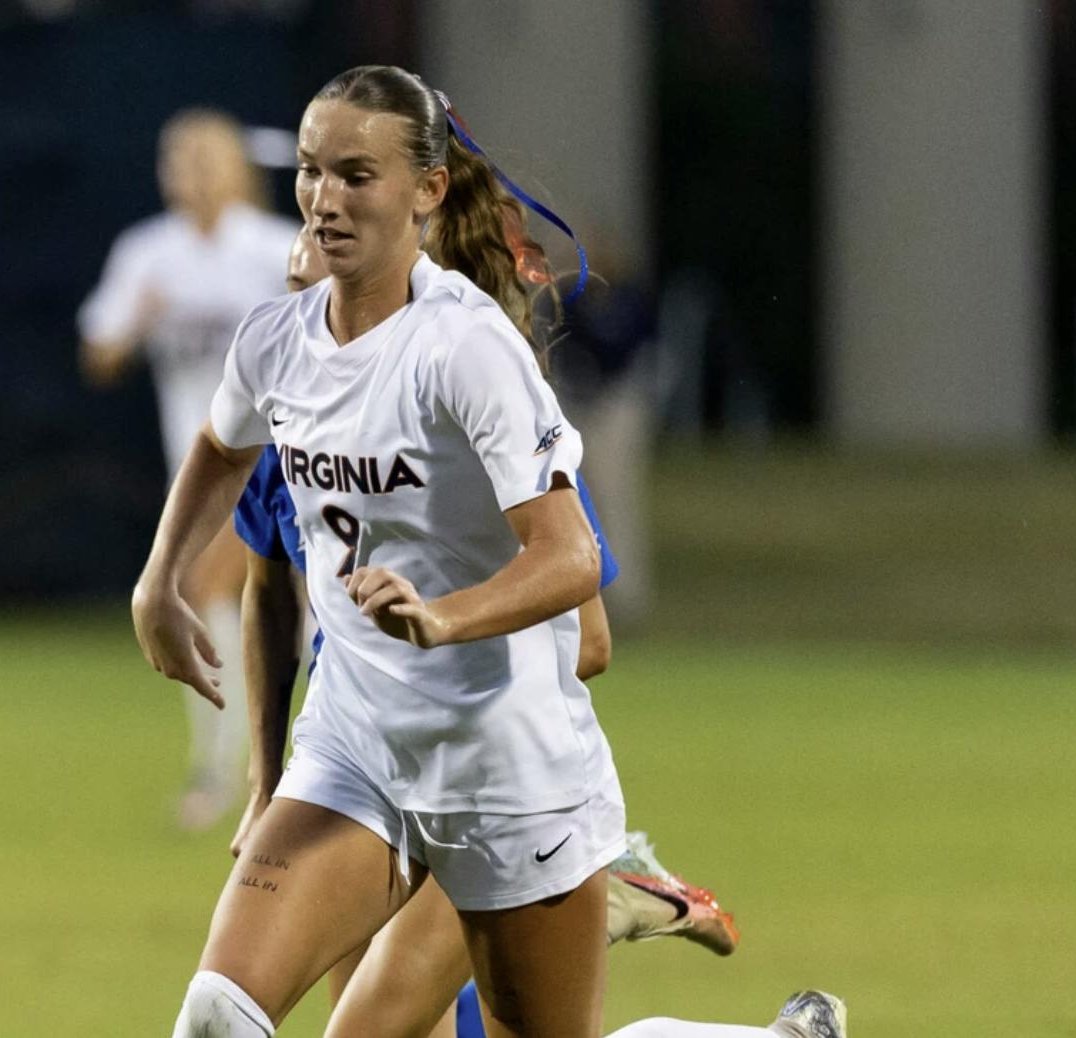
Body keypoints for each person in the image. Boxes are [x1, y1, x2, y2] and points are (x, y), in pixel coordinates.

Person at [132, 66, 842, 1038]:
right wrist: (160, 580)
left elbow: (577, 585)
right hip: (354, 752)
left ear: (425, 191)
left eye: (354, 174)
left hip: (506, 770)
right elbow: (230, 478)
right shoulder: (277, 345)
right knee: (218, 1019)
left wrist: (443, 619)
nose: (322, 203)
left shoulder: (469, 353)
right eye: (308, 173)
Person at [230, 229, 738, 1038]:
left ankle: (605, 884)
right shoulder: (286, 432)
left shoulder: (474, 425)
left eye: (322, 282)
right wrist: (264, 786)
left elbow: (590, 636)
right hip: (354, 767)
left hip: (477, 780)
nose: (306, 307)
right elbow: (268, 600)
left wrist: (448, 638)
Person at [79, 108, 299, 830]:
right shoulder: (149, 252)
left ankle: (235, 772)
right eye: (178, 160)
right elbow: (100, 355)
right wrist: (139, 321)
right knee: (229, 605)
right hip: (200, 469)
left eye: (206, 158)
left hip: (284, 457)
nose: (191, 174)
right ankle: (246, 767)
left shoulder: (273, 248)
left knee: (209, 594)